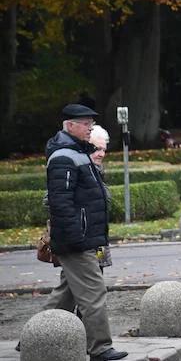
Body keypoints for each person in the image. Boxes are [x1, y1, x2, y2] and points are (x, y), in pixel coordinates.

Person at [43, 104, 128, 361]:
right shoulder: (64, 157)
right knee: (93, 292)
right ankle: (100, 349)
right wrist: (77, 240)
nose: (90, 127)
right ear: (70, 125)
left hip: (84, 237)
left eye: (91, 123)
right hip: (77, 241)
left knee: (65, 294)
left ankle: (34, 338)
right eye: (85, 123)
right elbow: (60, 202)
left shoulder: (77, 152)